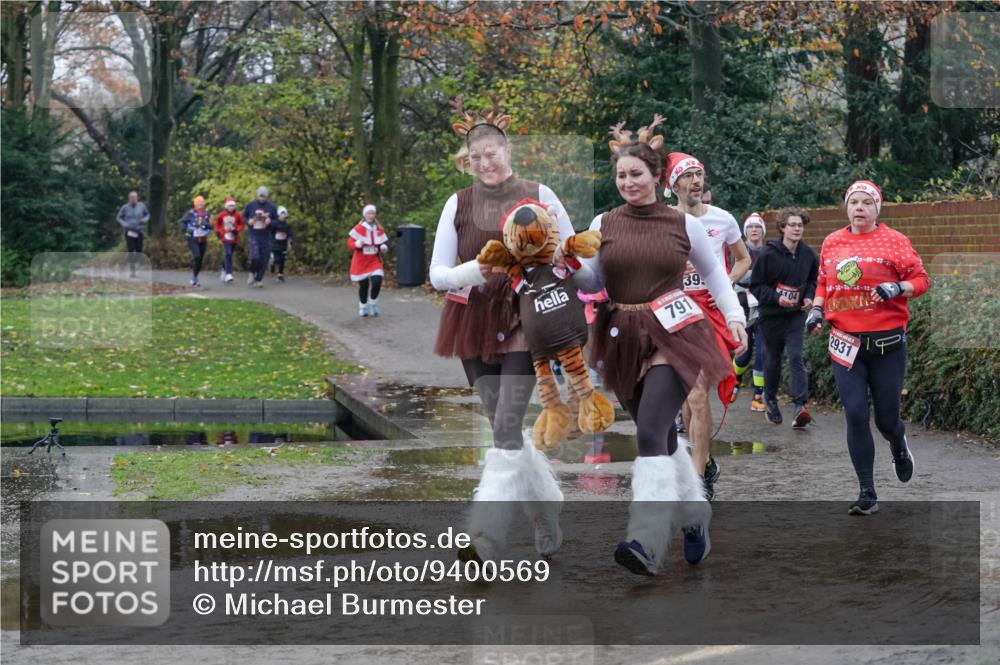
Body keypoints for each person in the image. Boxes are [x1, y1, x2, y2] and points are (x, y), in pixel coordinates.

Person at [573, 117, 747, 575]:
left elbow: (713, 275)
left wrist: (734, 317)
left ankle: (646, 540)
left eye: (636, 174)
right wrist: (568, 263)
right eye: (621, 175)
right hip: (621, 334)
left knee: (651, 429)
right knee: (665, 437)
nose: (628, 181)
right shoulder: (602, 222)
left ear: (656, 177)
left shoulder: (682, 224)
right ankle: (694, 516)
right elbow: (592, 279)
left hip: (675, 331)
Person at [429, 94, 576, 563]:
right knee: (503, 428)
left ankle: (485, 536)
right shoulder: (459, 202)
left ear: (508, 151)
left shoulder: (540, 194)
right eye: (475, 157)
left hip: (524, 317)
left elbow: (572, 255)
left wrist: (552, 263)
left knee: (508, 424)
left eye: (491, 153)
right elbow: (436, 274)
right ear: (466, 163)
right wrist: (478, 269)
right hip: (471, 318)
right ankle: (546, 510)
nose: (484, 162)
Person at [807, 180, 929, 515]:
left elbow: (922, 280)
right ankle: (867, 492)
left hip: (887, 345)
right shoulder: (833, 241)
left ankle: (898, 445)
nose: (859, 208)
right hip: (846, 344)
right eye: (854, 202)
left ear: (878, 208)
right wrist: (817, 309)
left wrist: (897, 287)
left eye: (866, 203)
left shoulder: (895, 240)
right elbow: (823, 281)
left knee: (886, 421)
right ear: (846, 207)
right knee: (856, 413)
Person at [667, 152, 751, 501]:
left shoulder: (723, 219)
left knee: (698, 392)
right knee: (688, 396)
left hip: (710, 310)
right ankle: (704, 461)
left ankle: (697, 480)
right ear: (673, 185)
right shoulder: (662, 219)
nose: (697, 181)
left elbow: (744, 258)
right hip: (673, 310)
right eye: (688, 176)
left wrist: (726, 285)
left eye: (700, 174)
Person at [750, 207, 818, 428]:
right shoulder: (767, 254)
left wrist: (808, 297)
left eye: (800, 225)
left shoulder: (809, 255)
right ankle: (770, 399)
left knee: (796, 356)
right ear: (782, 228)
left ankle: (800, 406)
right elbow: (756, 286)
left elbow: (812, 282)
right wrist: (777, 297)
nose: (797, 229)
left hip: (795, 315)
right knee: (773, 359)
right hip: (771, 316)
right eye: (792, 225)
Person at [733, 213, 768, 411]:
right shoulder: (738, 250)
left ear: (762, 230)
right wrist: (758, 278)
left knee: (762, 352)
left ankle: (758, 395)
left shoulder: (769, 251)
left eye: (757, 227)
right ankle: (735, 379)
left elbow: (773, 275)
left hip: (763, 308)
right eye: (750, 227)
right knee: (744, 354)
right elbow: (734, 276)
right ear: (745, 231)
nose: (754, 230)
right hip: (742, 307)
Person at [348, 204, 388, 315]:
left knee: (377, 281)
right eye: (369, 213)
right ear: (364, 215)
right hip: (361, 261)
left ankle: (373, 303)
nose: (371, 216)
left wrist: (383, 247)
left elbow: (380, 243)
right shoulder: (358, 228)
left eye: (373, 213)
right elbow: (349, 244)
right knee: (364, 285)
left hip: (374, 261)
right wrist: (357, 243)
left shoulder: (379, 229)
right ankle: (363, 306)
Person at [242, 186, 278, 288]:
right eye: (260, 196)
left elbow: (276, 221)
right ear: (257, 195)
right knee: (255, 256)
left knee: (265, 258)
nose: (262, 198)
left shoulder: (271, 207)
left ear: (267, 197)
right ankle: (252, 272)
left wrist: (270, 221)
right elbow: (243, 217)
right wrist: (248, 221)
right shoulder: (251, 205)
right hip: (253, 234)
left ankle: (259, 279)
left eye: (264, 196)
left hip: (266, 235)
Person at [178, 196, 213, 287]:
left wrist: (206, 225)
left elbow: (211, 226)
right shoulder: (190, 213)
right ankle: (194, 276)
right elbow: (182, 222)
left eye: (202, 203)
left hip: (203, 238)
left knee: (200, 259)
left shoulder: (207, 213)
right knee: (197, 256)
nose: (200, 205)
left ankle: (195, 277)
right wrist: (185, 230)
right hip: (192, 238)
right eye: (198, 204)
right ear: (195, 204)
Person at [116, 191, 150, 277]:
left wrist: (144, 220)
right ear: (129, 199)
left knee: (139, 251)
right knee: (131, 250)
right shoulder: (125, 207)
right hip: (129, 231)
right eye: (132, 198)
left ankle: (136, 265)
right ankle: (132, 270)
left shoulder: (141, 206)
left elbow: (148, 215)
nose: (133, 200)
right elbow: (119, 217)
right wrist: (123, 223)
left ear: (137, 198)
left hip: (139, 231)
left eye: (135, 198)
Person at [214, 198, 243, 283]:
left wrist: (237, 230)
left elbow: (241, 224)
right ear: (226, 206)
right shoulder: (222, 215)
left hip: (233, 238)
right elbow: (217, 224)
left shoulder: (237, 215)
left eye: (233, 206)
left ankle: (224, 268)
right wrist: (217, 232)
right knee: (228, 253)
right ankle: (228, 273)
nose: (231, 207)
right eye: (230, 206)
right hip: (225, 237)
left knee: (229, 255)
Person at [270, 206, 293, 282]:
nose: (283, 215)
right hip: (275, 244)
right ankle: (272, 263)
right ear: (279, 214)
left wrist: (289, 243)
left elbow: (289, 234)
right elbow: (270, 233)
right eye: (282, 213)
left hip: (283, 244)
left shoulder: (287, 225)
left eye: (285, 213)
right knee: (277, 259)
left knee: (282, 260)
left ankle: (280, 274)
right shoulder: (274, 223)